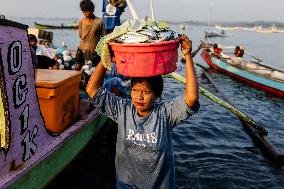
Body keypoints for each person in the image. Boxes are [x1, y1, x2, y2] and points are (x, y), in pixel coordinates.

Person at [86, 34, 199, 188]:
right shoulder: (123, 109)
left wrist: (188, 56)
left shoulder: (164, 114)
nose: (139, 96)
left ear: (157, 95)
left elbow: (191, 98)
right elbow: (92, 90)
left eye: (145, 92)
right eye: (135, 90)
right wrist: (105, 59)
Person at [76, 0, 104, 69]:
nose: (86, 13)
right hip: (82, 51)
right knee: (78, 70)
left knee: (95, 71)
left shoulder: (100, 22)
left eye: (87, 11)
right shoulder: (81, 21)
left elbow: (103, 37)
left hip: (95, 52)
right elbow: (80, 35)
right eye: (84, 11)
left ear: (92, 10)